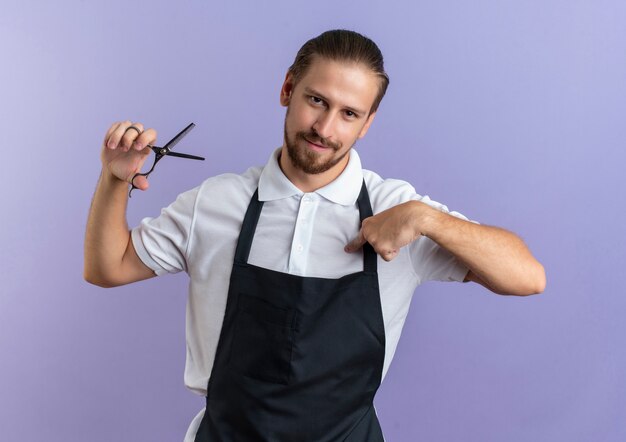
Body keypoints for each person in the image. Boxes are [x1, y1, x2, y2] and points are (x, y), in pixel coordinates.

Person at [84, 29, 545, 441]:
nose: (325, 129)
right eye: (317, 101)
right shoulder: (217, 202)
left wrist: (428, 219)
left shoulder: (397, 209)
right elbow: (108, 267)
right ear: (288, 89)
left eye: (349, 113)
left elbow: (527, 276)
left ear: (368, 123)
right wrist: (114, 179)